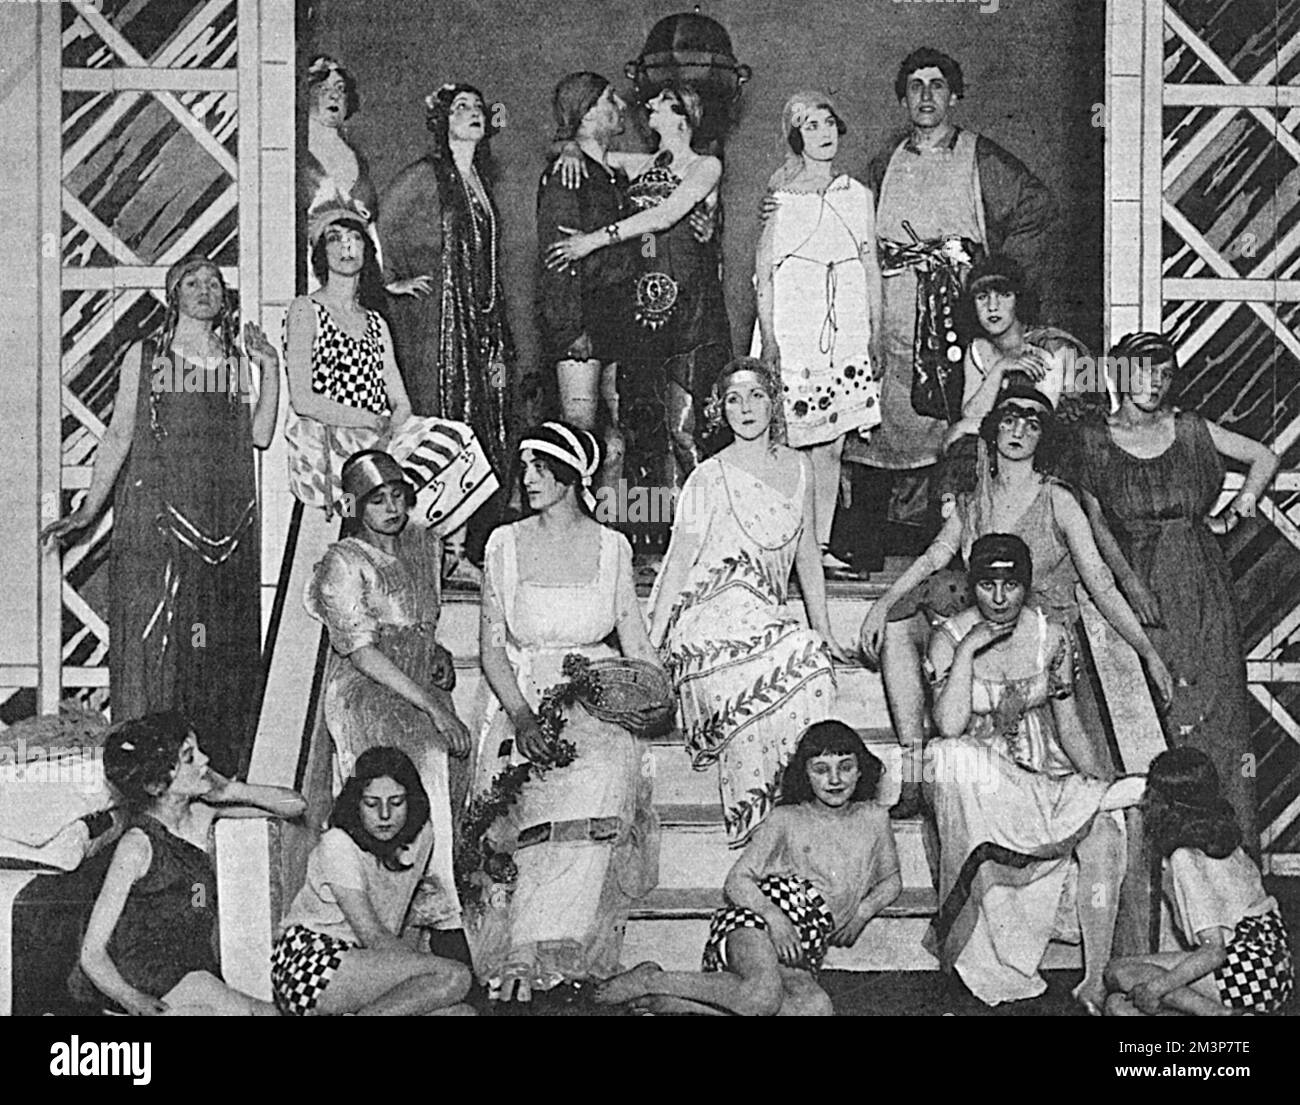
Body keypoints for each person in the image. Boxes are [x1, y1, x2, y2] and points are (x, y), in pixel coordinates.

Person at [860, 381, 1174, 818]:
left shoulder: (1057, 500)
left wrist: (1148, 652)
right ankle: (914, 774)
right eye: (1009, 420)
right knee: (898, 625)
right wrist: (882, 603)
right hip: (984, 629)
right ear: (992, 431)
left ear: (1044, 437)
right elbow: (935, 555)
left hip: (1042, 642)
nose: (1019, 431)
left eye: (1032, 424)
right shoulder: (974, 503)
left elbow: (1100, 582)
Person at [42, 255, 278, 778]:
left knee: (219, 660)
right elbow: (120, 434)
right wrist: (87, 511)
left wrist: (272, 370)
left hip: (228, 534)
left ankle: (217, 785)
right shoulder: (147, 357)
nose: (204, 290)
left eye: (214, 283)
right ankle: (154, 782)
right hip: (164, 531)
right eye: (192, 283)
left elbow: (259, 435)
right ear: (174, 295)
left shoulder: (237, 362)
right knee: (169, 656)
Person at [842, 47, 1058, 570]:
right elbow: (844, 218)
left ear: (954, 96)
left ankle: (946, 549)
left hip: (952, 314)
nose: (926, 96)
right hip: (892, 312)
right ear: (901, 98)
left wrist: (995, 279)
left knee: (950, 417)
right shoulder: (885, 160)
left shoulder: (981, 157)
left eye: (937, 85)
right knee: (879, 420)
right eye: (914, 86)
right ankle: (865, 542)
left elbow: (1037, 207)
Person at [469, 421, 662, 999]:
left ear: (572, 475)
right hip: (523, 694)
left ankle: (564, 946)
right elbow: (491, 649)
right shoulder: (502, 543)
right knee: (521, 793)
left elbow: (635, 637)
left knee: (598, 780)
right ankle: (520, 950)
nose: (528, 479)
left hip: (596, 699)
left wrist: (655, 693)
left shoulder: (613, 547)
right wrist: (523, 718)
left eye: (540, 467)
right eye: (523, 467)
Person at [1071, 332, 1278, 852]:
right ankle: (1152, 863)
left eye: (1163, 372)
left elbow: (1264, 457)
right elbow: (1096, 520)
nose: (1154, 382)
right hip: (1135, 580)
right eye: (1142, 370)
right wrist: (1130, 583)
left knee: (1215, 715)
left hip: (1201, 581)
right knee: (1148, 713)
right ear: (1120, 374)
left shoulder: (1190, 429)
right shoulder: (1094, 438)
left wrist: (1240, 508)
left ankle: (1225, 858)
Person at [924, 535, 1144, 1010]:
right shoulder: (948, 638)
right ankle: (1082, 802)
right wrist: (968, 651)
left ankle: (1094, 977)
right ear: (972, 584)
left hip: (1040, 765)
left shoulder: (1053, 636)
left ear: (1026, 585)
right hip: (979, 783)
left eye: (1011, 585)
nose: (999, 598)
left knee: (1105, 830)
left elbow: (1070, 726)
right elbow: (947, 725)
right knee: (950, 755)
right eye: (987, 584)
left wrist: (1094, 778)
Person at [648, 359, 851, 845]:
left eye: (756, 396)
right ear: (720, 409)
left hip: (764, 611)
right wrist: (650, 643)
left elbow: (806, 553)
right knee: (758, 670)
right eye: (733, 399)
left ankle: (800, 816)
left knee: (813, 665)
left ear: (773, 403)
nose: (745, 408)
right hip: (706, 612)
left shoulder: (801, 468)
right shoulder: (706, 475)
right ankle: (764, 831)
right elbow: (678, 563)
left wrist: (821, 627)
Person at [594, 721, 901, 1016]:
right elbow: (737, 881)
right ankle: (652, 979)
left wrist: (863, 911)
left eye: (845, 766)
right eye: (821, 770)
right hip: (757, 921)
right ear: (805, 775)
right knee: (762, 997)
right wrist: (774, 919)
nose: (835, 779)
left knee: (816, 1010)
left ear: (861, 770)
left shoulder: (874, 819)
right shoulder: (787, 818)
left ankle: (683, 1003)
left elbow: (891, 880)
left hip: (804, 943)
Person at [546, 83, 732, 554]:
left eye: (659, 103)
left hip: (690, 309)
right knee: (642, 427)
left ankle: (710, 539)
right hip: (645, 315)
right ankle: (658, 535)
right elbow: (588, 147)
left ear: (682, 114)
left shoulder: (705, 164)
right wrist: (569, 143)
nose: (645, 106)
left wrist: (593, 239)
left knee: (686, 427)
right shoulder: (639, 164)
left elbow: (666, 215)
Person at [304, 450, 473, 954]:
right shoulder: (344, 561)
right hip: (368, 691)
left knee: (454, 764)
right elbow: (360, 648)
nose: (392, 507)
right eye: (378, 499)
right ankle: (441, 924)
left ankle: (441, 908)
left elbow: (415, 622)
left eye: (399, 495)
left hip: (418, 682)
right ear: (357, 506)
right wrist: (431, 705)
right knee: (420, 766)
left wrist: (436, 652)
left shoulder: (423, 543)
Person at [284, 199, 496, 573]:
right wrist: (367, 421)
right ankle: (397, 556)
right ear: (320, 253)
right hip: (325, 437)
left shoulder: (376, 323)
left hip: (376, 431)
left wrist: (387, 429)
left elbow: (400, 402)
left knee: (456, 437)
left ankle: (449, 555)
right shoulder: (306, 309)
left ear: (367, 251)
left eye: (355, 239)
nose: (347, 246)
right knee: (384, 477)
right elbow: (303, 399)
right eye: (335, 239)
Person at [79, 712, 306, 1015]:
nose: (204, 760)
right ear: (158, 784)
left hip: (191, 969)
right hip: (146, 979)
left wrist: (231, 790)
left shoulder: (201, 814)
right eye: (189, 757)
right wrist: (133, 1001)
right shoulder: (137, 845)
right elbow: (91, 953)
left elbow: (294, 806)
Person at [754, 91, 883, 574]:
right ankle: (786, 548)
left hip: (845, 327)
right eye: (811, 126)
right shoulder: (779, 197)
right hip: (794, 325)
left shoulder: (857, 194)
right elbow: (763, 274)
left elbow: (870, 265)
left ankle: (821, 547)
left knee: (831, 446)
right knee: (791, 443)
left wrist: (874, 329)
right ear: (795, 137)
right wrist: (769, 338)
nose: (824, 133)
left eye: (829, 123)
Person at [379, 84, 525, 483]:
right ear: (443, 120)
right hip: (442, 320)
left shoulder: (479, 180)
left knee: (491, 406)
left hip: (483, 317)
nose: (473, 113)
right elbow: (381, 223)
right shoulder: (425, 174)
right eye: (461, 107)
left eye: (478, 107)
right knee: (442, 412)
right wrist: (390, 281)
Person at [272, 747, 474, 1016]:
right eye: (371, 803)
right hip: (308, 961)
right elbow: (373, 935)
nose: (385, 815)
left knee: (461, 1014)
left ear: (411, 800)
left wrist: (420, 972)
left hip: (366, 963)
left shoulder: (422, 837)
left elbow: (397, 922)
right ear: (356, 803)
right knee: (455, 976)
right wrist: (428, 968)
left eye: (397, 802)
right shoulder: (338, 843)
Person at [1104, 747, 1294, 1016]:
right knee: (1119, 1008)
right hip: (1275, 970)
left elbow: (1213, 952)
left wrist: (1156, 988)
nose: (1146, 801)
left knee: (1119, 972)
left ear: (1166, 803)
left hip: (1249, 973)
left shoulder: (1186, 858)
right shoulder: (1224, 840)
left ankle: (1222, 1015)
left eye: (1151, 793)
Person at [535, 73, 636, 483]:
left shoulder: (611, 176)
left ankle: (607, 535)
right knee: (578, 436)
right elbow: (556, 262)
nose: (623, 106)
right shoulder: (567, 175)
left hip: (615, 322)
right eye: (613, 99)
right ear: (590, 112)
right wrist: (570, 330)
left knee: (614, 439)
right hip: (582, 326)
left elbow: (638, 242)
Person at [300, 55, 431, 300]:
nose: (334, 96)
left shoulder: (353, 154)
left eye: (340, 89)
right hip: (308, 275)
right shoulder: (295, 150)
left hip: (353, 276)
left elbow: (368, 227)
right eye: (323, 89)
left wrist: (386, 281)